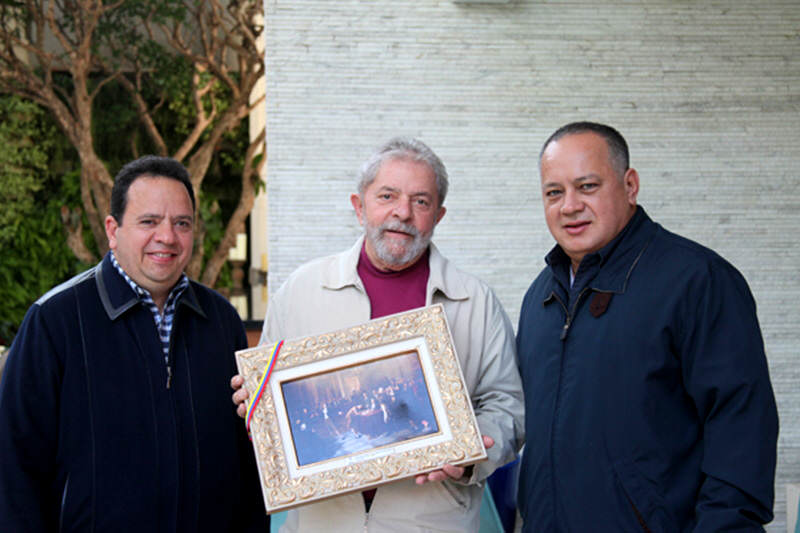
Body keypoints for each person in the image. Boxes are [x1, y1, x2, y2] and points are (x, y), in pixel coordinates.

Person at [232, 137, 524, 532]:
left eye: (420, 201)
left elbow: (507, 406)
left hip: (433, 521)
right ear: (359, 206)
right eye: (387, 195)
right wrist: (257, 405)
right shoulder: (301, 290)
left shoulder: (476, 302)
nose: (402, 212)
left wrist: (473, 454)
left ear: (438, 215)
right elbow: (270, 401)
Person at [516, 122, 779, 531]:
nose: (569, 206)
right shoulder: (540, 299)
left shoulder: (697, 281)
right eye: (554, 192)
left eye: (587, 186)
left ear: (630, 185)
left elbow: (742, 430)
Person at [0, 156, 268, 532]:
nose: (167, 237)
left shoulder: (221, 321)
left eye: (182, 223)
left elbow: (246, 461)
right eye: (149, 222)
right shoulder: (55, 321)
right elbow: (14, 469)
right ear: (113, 229)